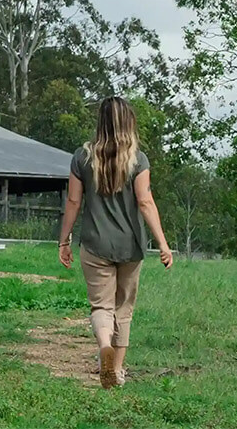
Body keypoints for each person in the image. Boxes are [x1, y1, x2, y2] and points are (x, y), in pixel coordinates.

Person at [57, 96, 173, 389]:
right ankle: (117, 371)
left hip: (95, 244)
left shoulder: (81, 158)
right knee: (124, 308)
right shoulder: (138, 159)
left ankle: (104, 348)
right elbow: (145, 202)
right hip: (130, 246)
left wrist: (64, 240)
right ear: (128, 122)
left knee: (101, 307)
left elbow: (73, 201)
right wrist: (162, 243)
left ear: (100, 122)